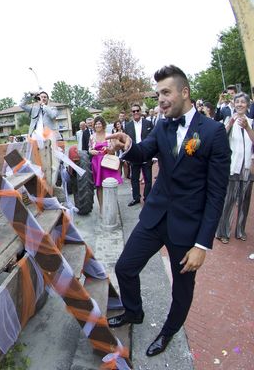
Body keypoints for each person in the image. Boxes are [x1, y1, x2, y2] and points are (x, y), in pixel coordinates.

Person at [106, 65, 230, 357]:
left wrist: (202, 245)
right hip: (155, 217)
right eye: (157, 93)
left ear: (184, 92)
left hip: (187, 227)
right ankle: (134, 312)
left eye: (165, 92)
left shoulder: (212, 132)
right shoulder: (162, 125)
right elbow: (144, 152)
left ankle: (169, 331)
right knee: (125, 267)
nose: (159, 99)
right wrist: (127, 146)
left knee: (182, 288)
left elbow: (216, 194)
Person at [216, 92, 254, 243]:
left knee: (245, 201)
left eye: (243, 102)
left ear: (247, 105)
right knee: (229, 200)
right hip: (232, 166)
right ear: (233, 104)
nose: (239, 104)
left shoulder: (252, 121)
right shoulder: (228, 119)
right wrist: (231, 122)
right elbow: (221, 137)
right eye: (237, 102)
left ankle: (240, 230)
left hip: (247, 168)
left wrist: (247, 128)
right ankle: (223, 232)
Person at [88, 116, 122, 210]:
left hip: (108, 163)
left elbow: (113, 151)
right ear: (94, 126)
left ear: (103, 125)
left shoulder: (109, 135)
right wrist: (91, 152)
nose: (97, 125)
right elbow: (89, 149)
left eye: (99, 123)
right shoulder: (92, 137)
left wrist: (107, 149)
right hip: (97, 163)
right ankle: (102, 208)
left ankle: (112, 206)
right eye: (96, 124)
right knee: (99, 186)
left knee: (110, 185)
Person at [124, 103, 154, 206]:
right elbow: (126, 142)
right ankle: (136, 198)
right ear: (131, 113)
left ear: (140, 111)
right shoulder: (127, 126)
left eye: (137, 110)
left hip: (146, 154)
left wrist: (153, 155)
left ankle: (147, 197)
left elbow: (153, 139)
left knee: (148, 179)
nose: (136, 112)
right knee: (134, 179)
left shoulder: (148, 123)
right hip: (134, 155)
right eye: (134, 111)